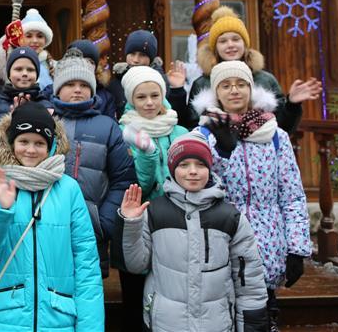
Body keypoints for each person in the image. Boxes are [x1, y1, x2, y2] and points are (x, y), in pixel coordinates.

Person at [191, 60, 311, 331]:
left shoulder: (276, 135)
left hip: (266, 243)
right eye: (226, 85)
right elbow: (196, 189)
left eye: (241, 84)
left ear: (251, 89)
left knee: (262, 317)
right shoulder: (202, 135)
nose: (234, 90)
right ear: (216, 92)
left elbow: (291, 195)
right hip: (219, 241)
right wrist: (221, 151)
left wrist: (296, 249)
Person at [0, 102, 105, 331]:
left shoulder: (68, 189)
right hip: (6, 320)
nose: (30, 150)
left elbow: (86, 263)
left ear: (50, 147)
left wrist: (90, 327)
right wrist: (0, 212)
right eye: (23, 141)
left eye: (39, 143)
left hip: (58, 318)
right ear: (12, 143)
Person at [115, 132, 269, 332]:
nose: (193, 171)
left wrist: (252, 326)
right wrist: (132, 223)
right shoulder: (155, 212)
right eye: (184, 165)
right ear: (172, 169)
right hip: (165, 324)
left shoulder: (230, 218)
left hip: (217, 323)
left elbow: (249, 281)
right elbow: (136, 264)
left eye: (200, 164)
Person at [50, 48, 139, 329]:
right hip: (49, 226)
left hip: (91, 230)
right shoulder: (46, 124)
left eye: (83, 85)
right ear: (57, 88)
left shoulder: (107, 126)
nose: (77, 90)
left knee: (88, 303)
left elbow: (123, 178)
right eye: (70, 85)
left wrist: (104, 220)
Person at [182, 7, 321, 132]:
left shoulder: (265, 80)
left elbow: (283, 128)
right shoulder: (202, 83)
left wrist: (292, 104)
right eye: (223, 41)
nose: (230, 45)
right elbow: (192, 127)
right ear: (215, 48)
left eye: (236, 39)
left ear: (245, 43)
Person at [117, 65, 189, 201]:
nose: (149, 102)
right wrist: (147, 153)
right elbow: (139, 187)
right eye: (141, 97)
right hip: (146, 212)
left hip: (181, 209)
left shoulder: (180, 132)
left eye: (155, 95)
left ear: (162, 95)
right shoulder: (123, 134)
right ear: (132, 100)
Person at [107, 30, 187, 118]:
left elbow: (178, 118)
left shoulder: (163, 82)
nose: (136, 60)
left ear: (151, 59)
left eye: (142, 55)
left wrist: (177, 90)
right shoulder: (115, 85)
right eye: (132, 54)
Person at [49, 39, 118, 120]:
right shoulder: (52, 90)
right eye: (70, 85)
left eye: (90, 62)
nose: (84, 65)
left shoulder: (106, 97)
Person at [0, 47, 52, 117]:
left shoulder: (46, 106)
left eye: (30, 70)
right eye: (18, 69)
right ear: (9, 75)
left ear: (37, 75)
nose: (24, 73)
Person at [19, 9, 57, 89]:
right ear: (20, 39)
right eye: (29, 36)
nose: (35, 41)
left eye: (39, 36)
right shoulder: (12, 65)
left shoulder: (56, 66)